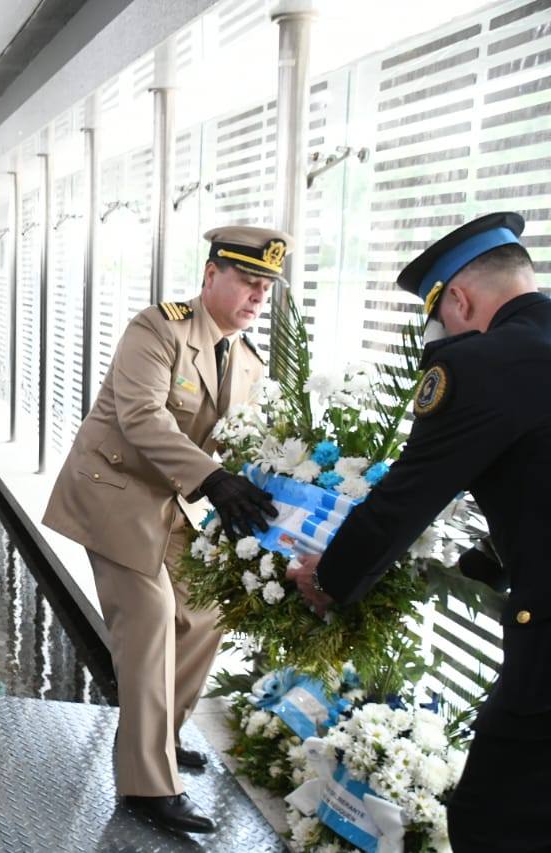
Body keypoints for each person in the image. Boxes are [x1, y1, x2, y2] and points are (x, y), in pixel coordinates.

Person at [287, 212, 551, 852]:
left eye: (440, 320)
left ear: (458, 299)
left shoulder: (485, 363)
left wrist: (329, 578)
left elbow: (408, 494)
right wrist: (487, 562)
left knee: (494, 818)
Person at [42, 226, 287, 835]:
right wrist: (213, 480)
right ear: (211, 276)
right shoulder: (157, 329)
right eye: (248, 282)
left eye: (266, 288)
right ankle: (147, 783)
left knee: (205, 612)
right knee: (149, 621)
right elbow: (142, 416)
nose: (258, 297)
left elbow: (241, 440)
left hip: (174, 500)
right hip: (115, 492)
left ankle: (160, 737)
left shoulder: (247, 360)